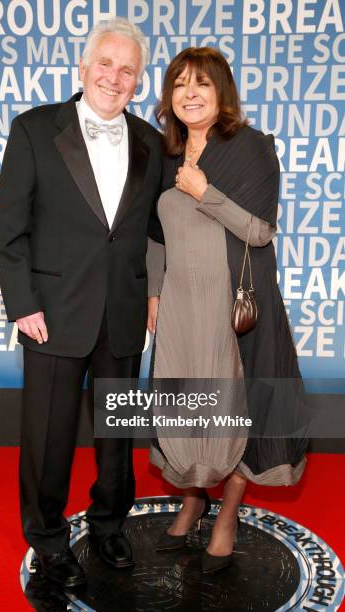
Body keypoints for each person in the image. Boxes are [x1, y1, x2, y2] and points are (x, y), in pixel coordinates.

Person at [0, 18, 162, 587]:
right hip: (52, 314)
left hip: (123, 312)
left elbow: (158, 230)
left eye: (128, 70)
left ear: (138, 83)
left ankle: (110, 524)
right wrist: (22, 304)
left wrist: (156, 293)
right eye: (106, 64)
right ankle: (47, 538)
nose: (115, 78)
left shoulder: (152, 142)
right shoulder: (35, 130)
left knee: (117, 435)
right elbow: (9, 229)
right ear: (83, 68)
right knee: (48, 437)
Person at [147, 47, 307, 574]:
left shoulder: (251, 149)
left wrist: (205, 192)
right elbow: (155, 235)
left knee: (241, 406)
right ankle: (194, 497)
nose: (190, 94)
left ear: (222, 94)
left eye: (203, 85)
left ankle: (227, 515)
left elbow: (259, 231)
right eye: (180, 84)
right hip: (181, 311)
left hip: (235, 310)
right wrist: (153, 293)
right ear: (169, 97)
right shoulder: (165, 153)